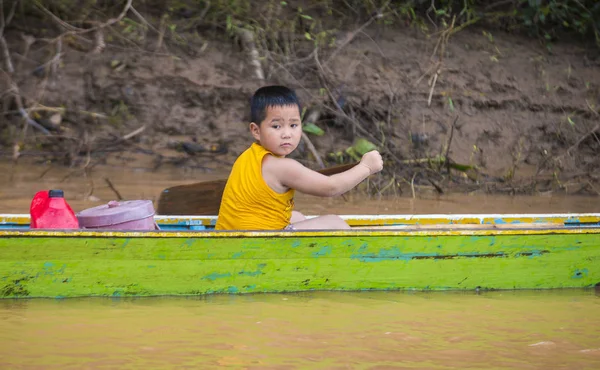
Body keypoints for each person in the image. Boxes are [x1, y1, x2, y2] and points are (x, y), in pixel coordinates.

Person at [215, 85, 383, 231]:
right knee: (334, 222)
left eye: (293, 125)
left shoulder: (248, 155)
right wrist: (366, 167)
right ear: (256, 130)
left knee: (296, 216)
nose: (287, 134)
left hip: (230, 238)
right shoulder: (283, 167)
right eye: (276, 126)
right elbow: (331, 188)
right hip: (255, 245)